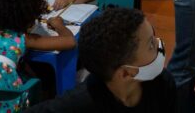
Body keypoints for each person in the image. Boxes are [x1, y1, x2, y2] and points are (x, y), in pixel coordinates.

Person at [26, 7, 176, 112]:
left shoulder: (162, 83)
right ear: (125, 73)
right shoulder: (81, 102)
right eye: (151, 44)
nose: (159, 43)